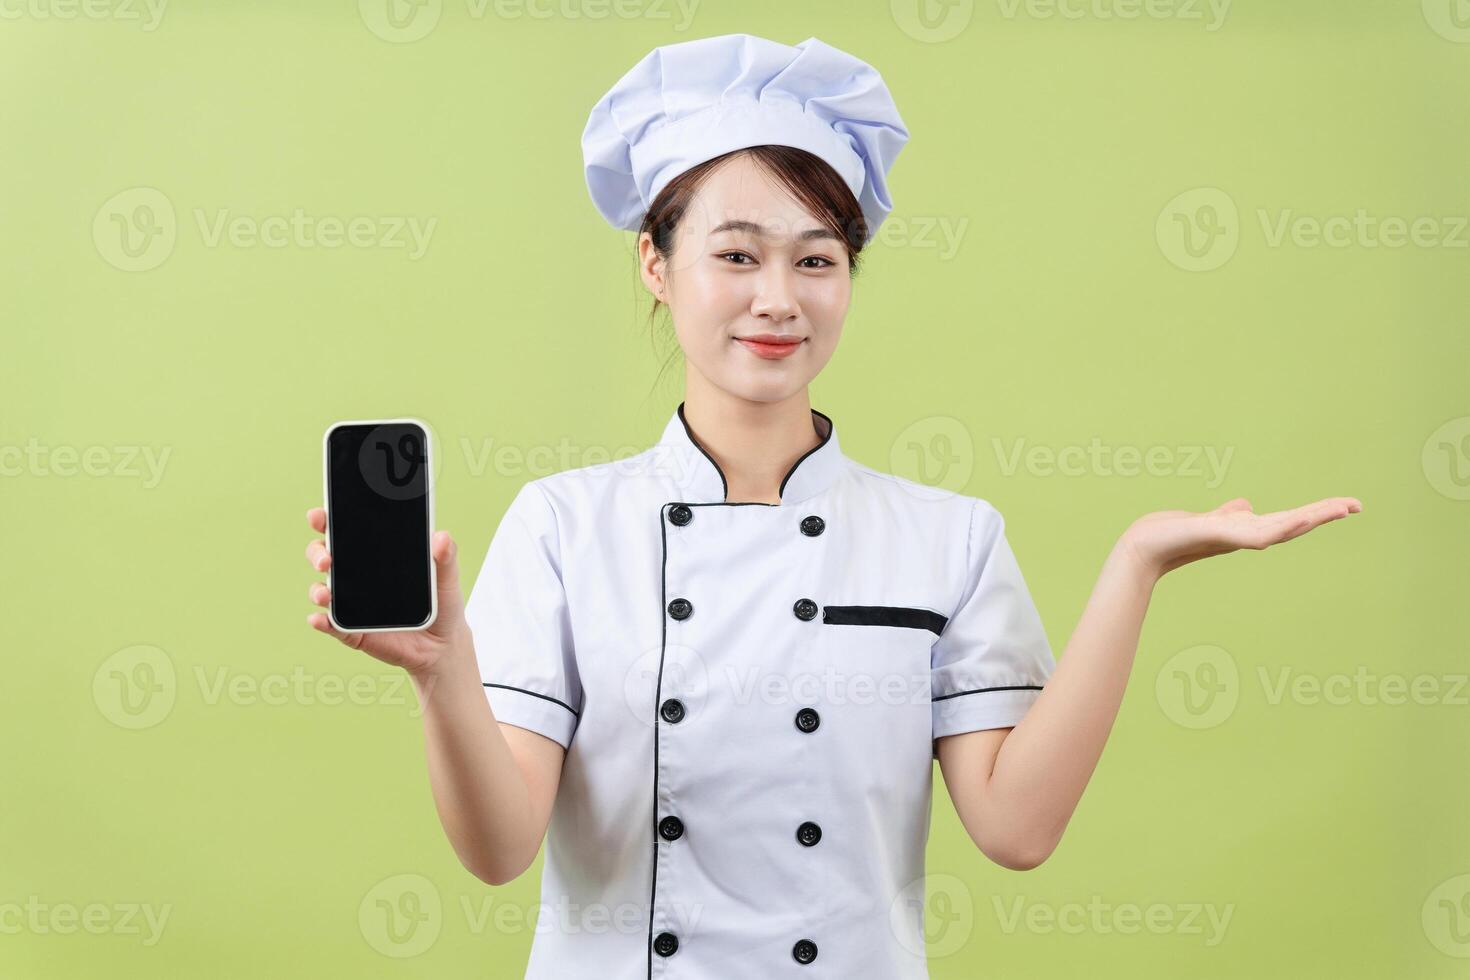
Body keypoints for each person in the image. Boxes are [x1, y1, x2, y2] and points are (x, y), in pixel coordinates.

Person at [303, 32, 1361, 979]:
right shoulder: (564, 526)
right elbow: (499, 849)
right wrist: (443, 676)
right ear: (656, 264)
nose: (779, 296)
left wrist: (1137, 562)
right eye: (735, 254)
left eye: (818, 258)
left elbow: (1017, 826)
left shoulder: (948, 537)